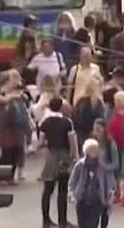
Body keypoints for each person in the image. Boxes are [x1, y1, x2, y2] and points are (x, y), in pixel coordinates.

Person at [38, 96, 78, 228]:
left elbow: (40, 142)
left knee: (47, 189)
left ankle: (46, 220)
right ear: (61, 107)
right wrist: (74, 156)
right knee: (62, 189)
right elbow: (72, 141)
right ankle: (62, 221)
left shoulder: (45, 122)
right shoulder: (67, 122)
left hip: (51, 155)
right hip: (64, 155)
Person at [69, 139, 115, 228]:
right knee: (82, 225)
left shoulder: (102, 167)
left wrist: (108, 199)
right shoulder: (79, 166)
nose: (92, 160)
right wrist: (72, 194)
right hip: (81, 201)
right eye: (89, 156)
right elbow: (73, 181)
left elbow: (108, 184)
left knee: (92, 224)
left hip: (96, 202)